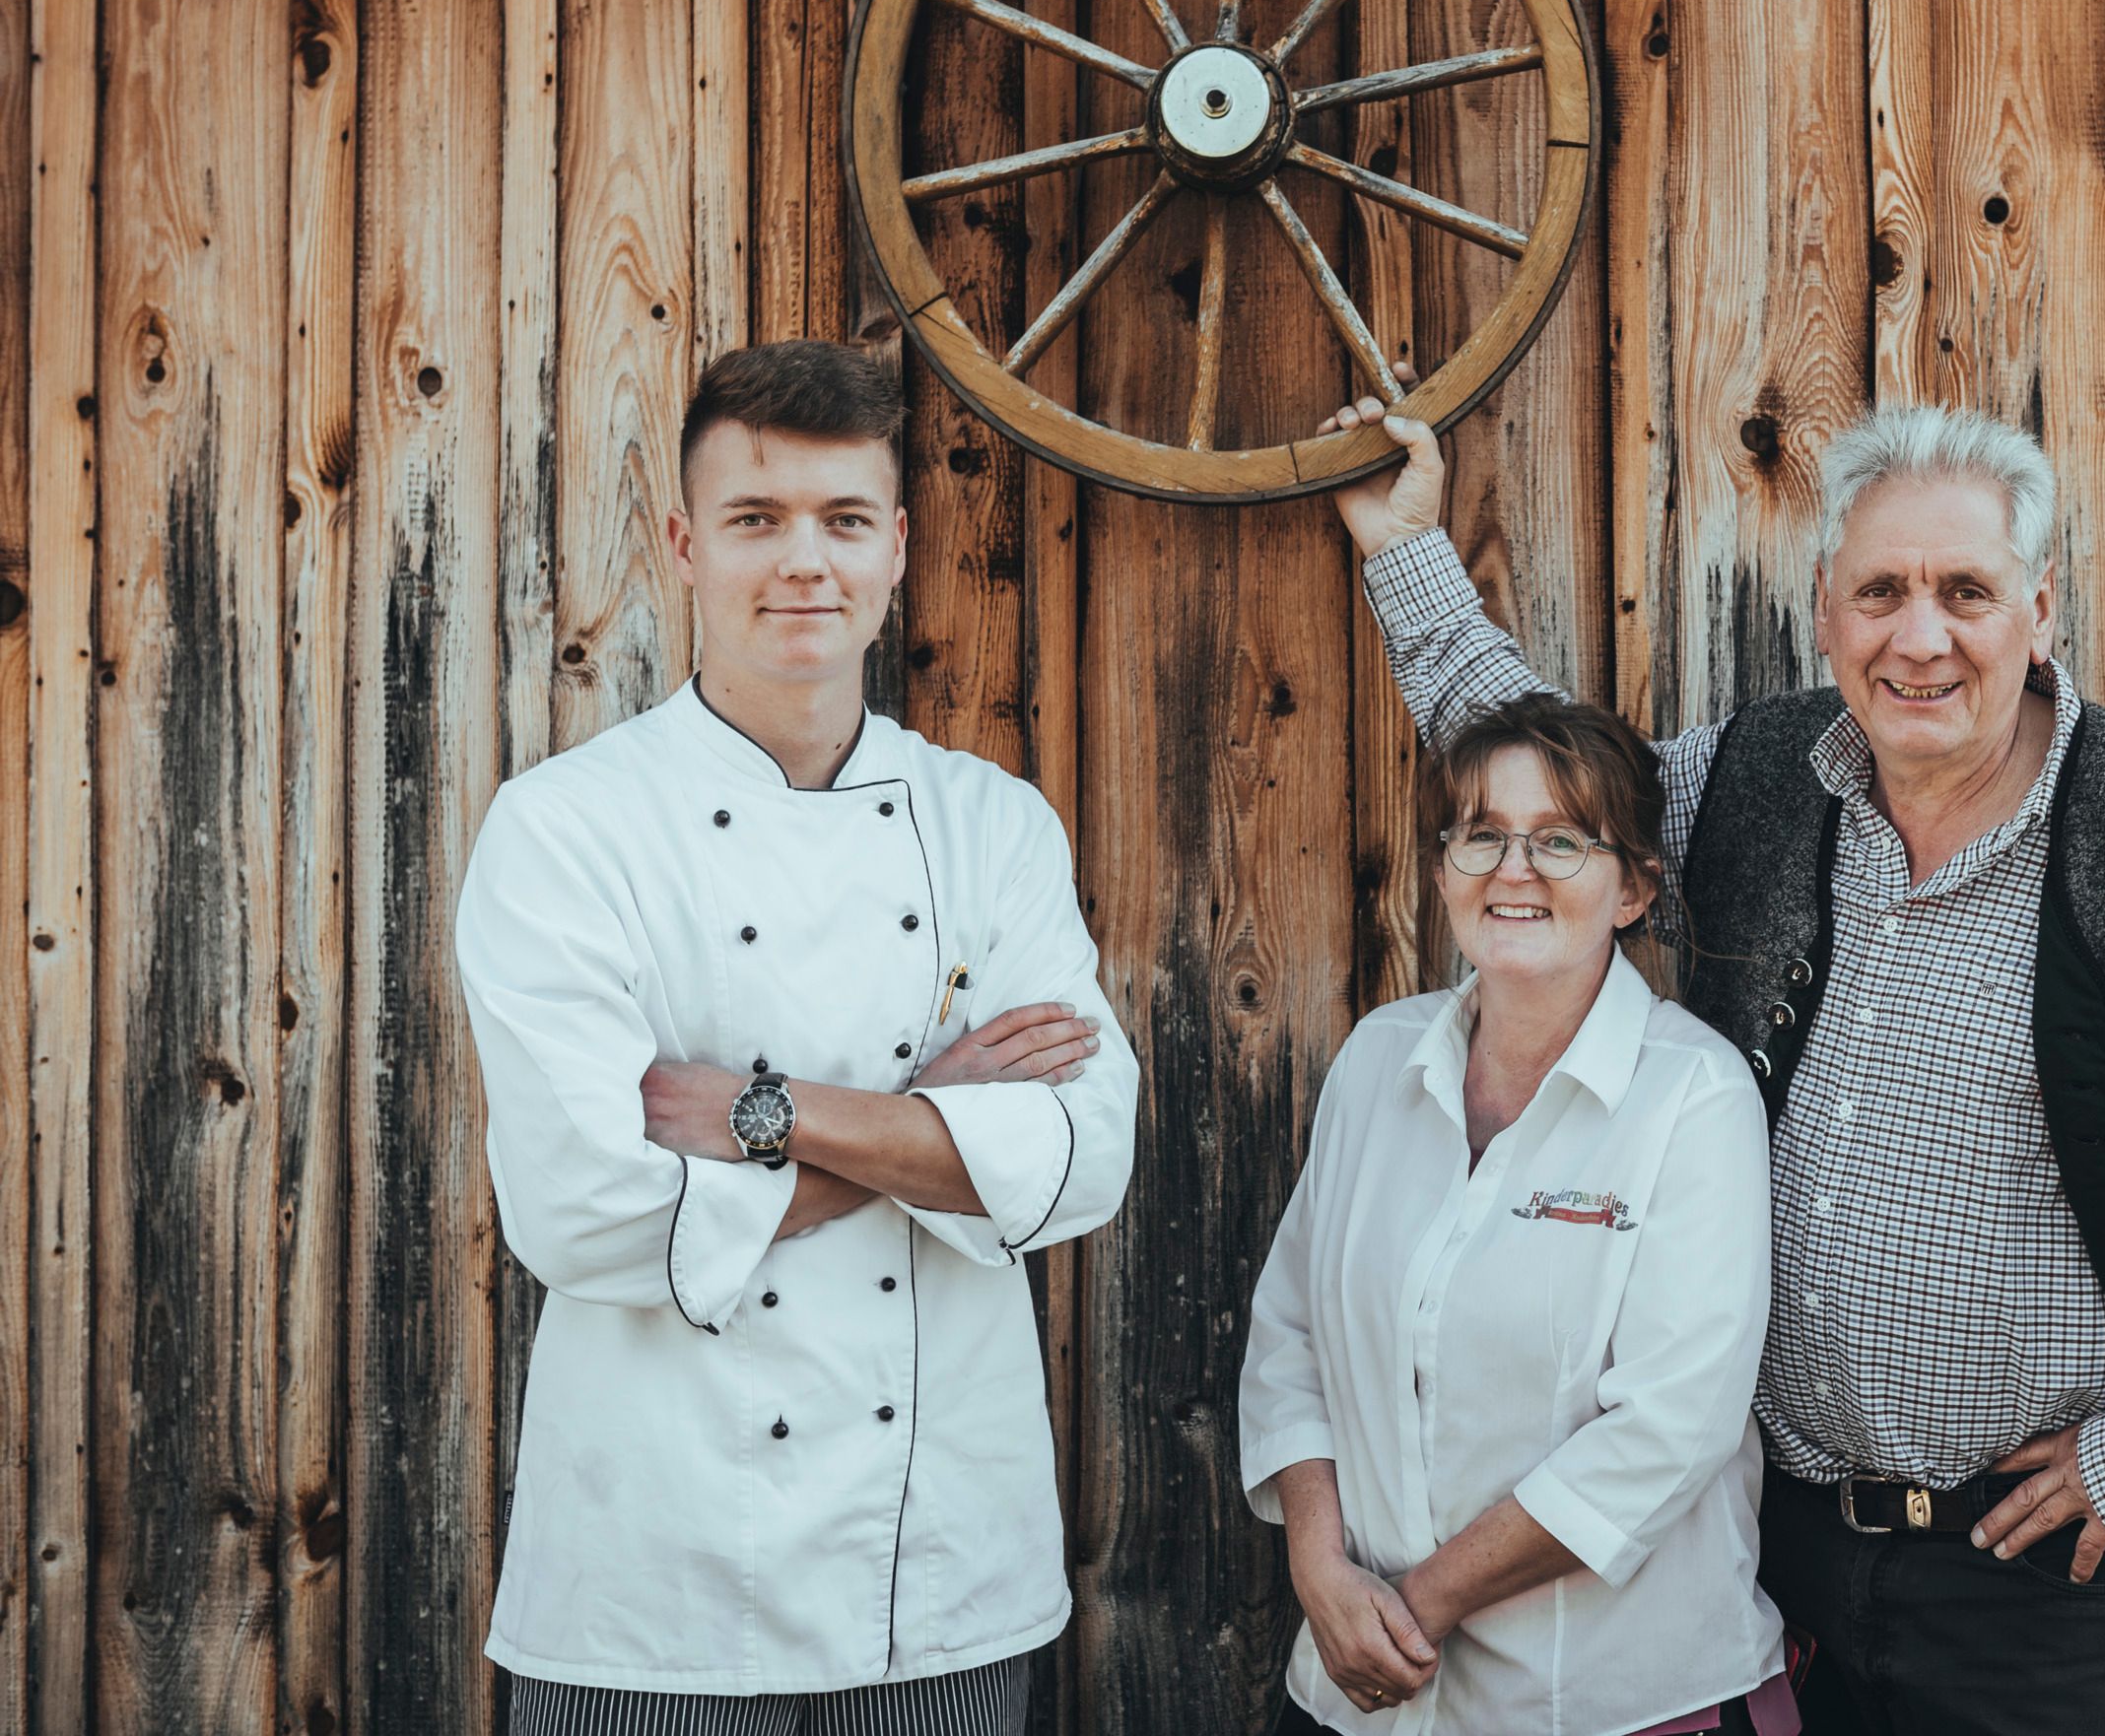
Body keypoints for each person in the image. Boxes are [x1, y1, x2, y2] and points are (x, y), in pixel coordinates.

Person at [1312, 392, 2105, 1736]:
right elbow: (1555, 805)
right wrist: (1405, 553)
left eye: (1965, 591)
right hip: (1768, 1558)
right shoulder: (1761, 784)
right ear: (1826, 609)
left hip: (2027, 1586)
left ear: (2039, 609)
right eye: (1881, 591)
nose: (1922, 637)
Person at [456, 341, 1139, 1731]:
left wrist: (766, 1116)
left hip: (938, 1580)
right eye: (756, 520)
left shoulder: (992, 823)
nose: (802, 564)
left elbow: (1080, 1159)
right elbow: (586, 1211)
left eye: (841, 522)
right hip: (649, 1594)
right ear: (683, 545)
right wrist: (936, 1124)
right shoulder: (566, 830)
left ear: (896, 546)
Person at [1240, 694, 1798, 1736]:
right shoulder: (1376, 1062)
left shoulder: (1693, 1096)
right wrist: (1320, 1571)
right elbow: (1291, 1338)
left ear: (1635, 886)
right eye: (1482, 834)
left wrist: (1418, 1606)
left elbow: (1671, 1426)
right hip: (1347, 1691)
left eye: (1559, 839)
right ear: (1445, 865)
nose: (1513, 867)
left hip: (1609, 1704)